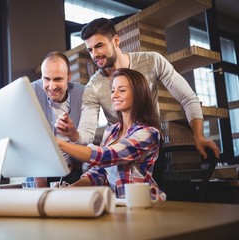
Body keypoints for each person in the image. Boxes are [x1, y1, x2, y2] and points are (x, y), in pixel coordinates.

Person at [55, 17, 220, 160]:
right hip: (116, 152)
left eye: (99, 46)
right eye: (90, 49)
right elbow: (87, 134)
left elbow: (188, 98)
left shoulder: (152, 61)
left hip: (149, 147)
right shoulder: (93, 86)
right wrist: (73, 134)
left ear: (116, 41)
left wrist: (199, 136)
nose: (94, 54)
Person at [56, 68, 166, 200]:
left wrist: (58, 143)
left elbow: (106, 156)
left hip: (145, 203)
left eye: (122, 90)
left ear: (138, 94)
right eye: (113, 90)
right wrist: (69, 190)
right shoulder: (110, 132)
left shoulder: (148, 133)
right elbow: (99, 172)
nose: (114, 95)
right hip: (119, 204)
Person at [28, 51, 85, 187]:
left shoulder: (83, 94)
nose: (52, 86)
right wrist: (40, 182)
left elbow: (85, 138)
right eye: (46, 79)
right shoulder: (31, 92)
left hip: (73, 169)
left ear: (69, 76)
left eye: (58, 79)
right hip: (39, 170)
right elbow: (29, 138)